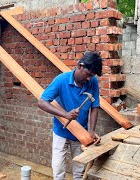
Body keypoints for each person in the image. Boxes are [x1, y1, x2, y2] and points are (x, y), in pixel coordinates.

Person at [38, 51, 103, 180]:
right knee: (58, 170)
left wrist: (91, 131)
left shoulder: (93, 82)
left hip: (80, 134)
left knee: (79, 170)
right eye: (88, 74)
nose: (89, 78)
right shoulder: (61, 80)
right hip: (61, 132)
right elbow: (42, 102)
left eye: (92, 76)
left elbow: (95, 107)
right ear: (80, 66)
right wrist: (65, 114)